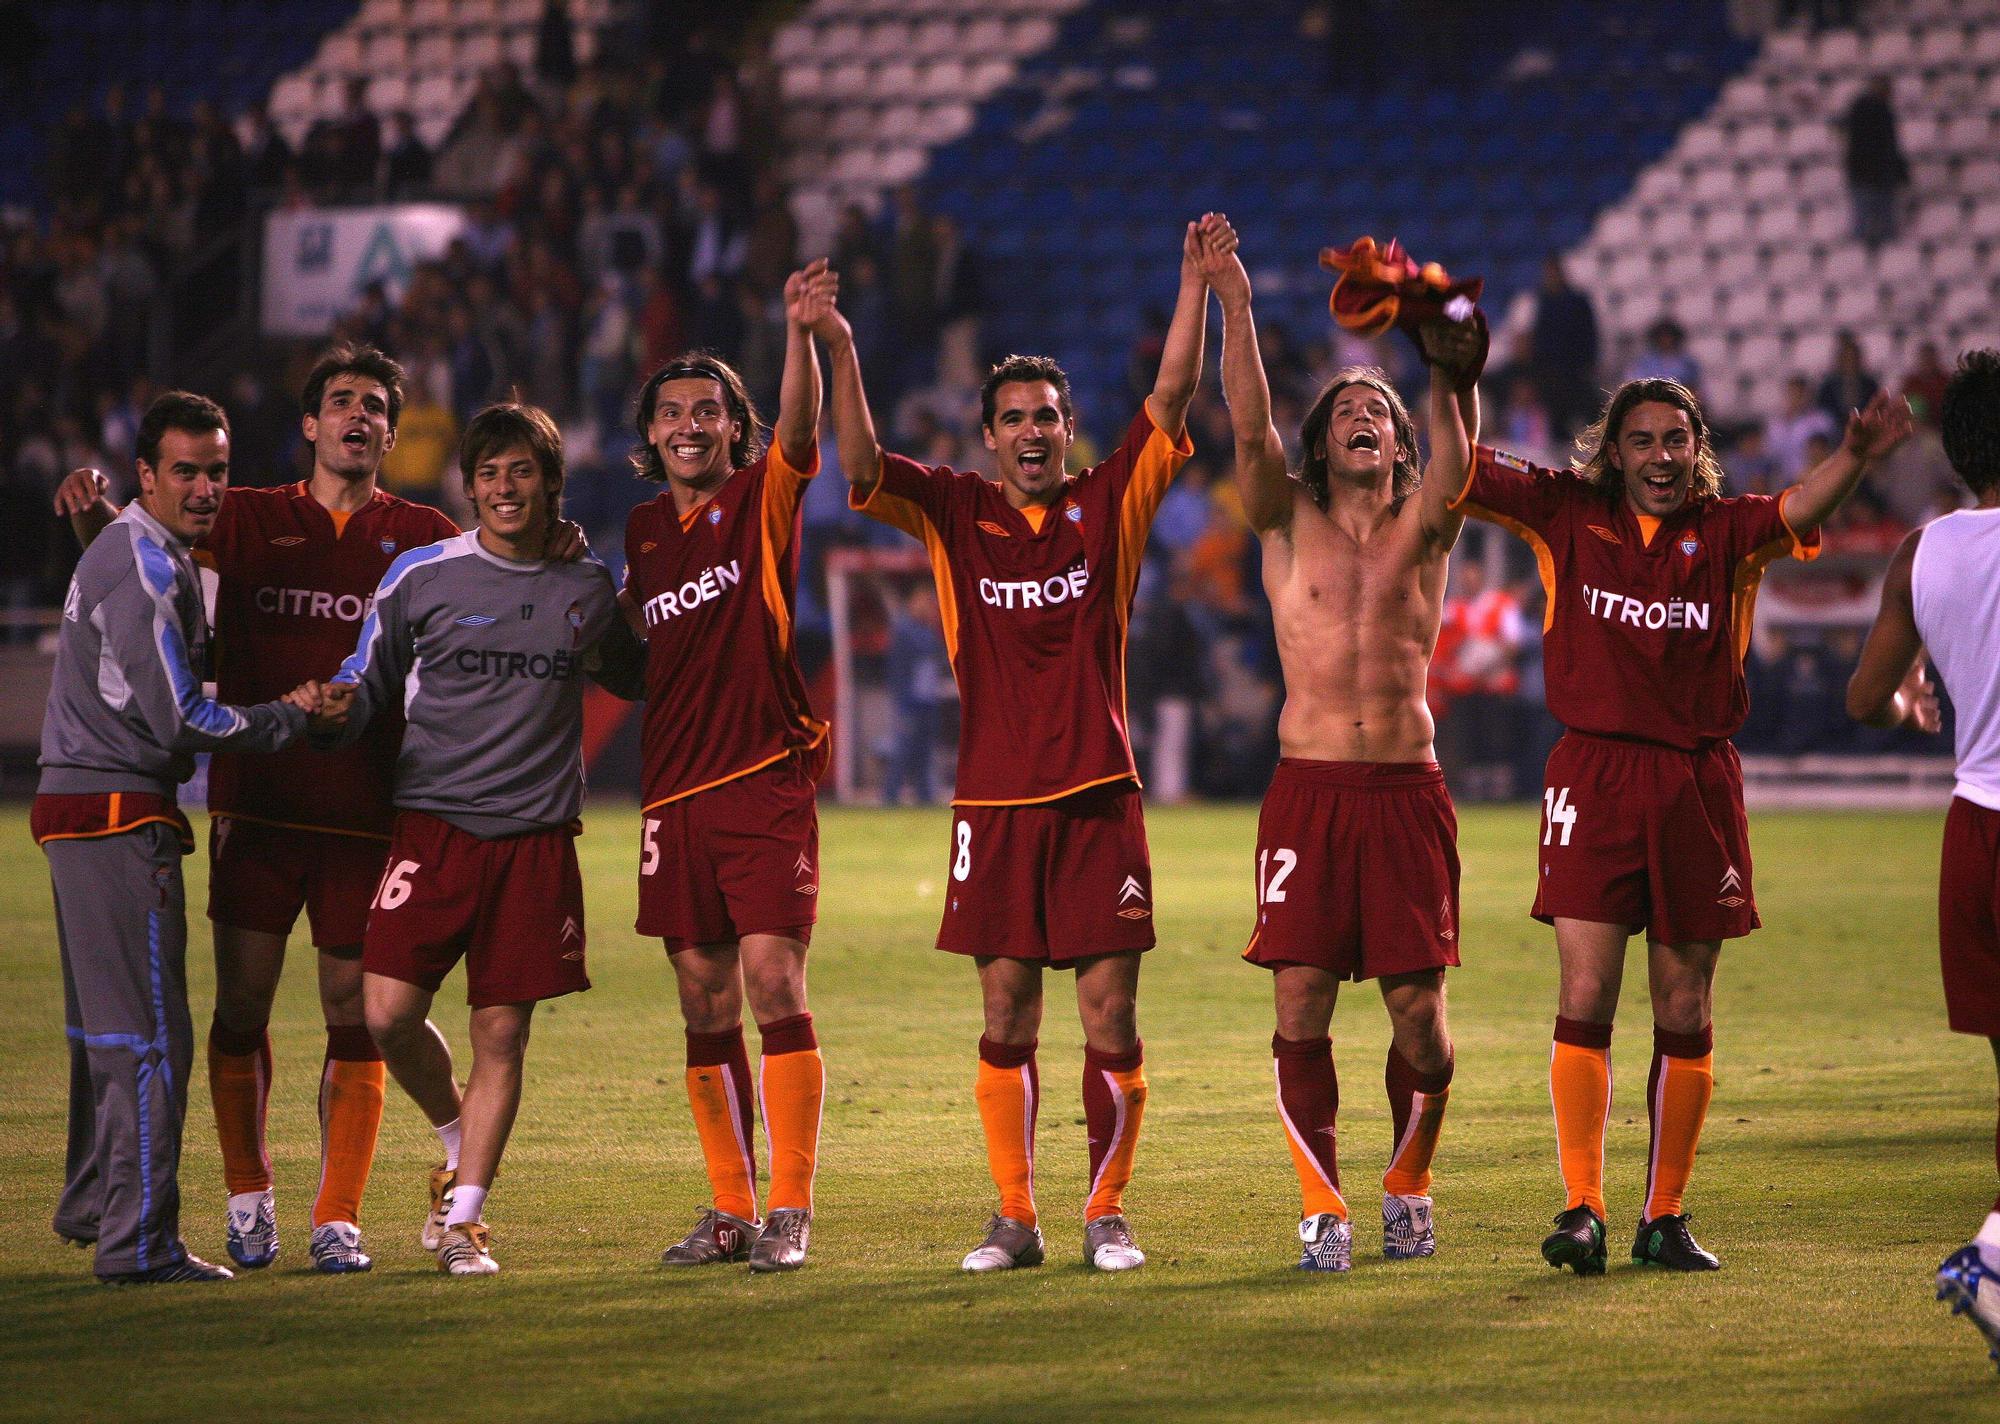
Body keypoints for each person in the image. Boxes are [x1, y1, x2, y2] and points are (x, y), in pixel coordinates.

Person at [809, 217, 1214, 1272]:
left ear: (1069, 427)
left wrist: (1196, 286)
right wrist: (839, 346)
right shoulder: (952, 509)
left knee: (1108, 1011)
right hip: (991, 802)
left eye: (1046, 415)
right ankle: (1016, 1215)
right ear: (984, 434)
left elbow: (1169, 400)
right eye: (1011, 418)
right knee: (1004, 1008)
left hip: (1096, 795)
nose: (1031, 431)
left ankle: (1106, 1210)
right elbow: (854, 459)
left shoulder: (1106, 503)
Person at [1454, 375, 1911, 1273]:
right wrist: (1451, 368)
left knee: (1685, 1002)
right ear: (1613, 451)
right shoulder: (1566, 516)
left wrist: (1854, 455)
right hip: (1592, 772)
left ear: (1694, 450)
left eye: (1675, 441)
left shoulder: (1728, 530)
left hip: (1698, 783)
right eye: (1642, 441)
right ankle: (1582, 1204)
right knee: (1583, 996)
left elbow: (1800, 503)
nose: (1660, 458)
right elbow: (1461, 466)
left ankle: (1664, 1216)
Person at [51, 345, 462, 1275]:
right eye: (340, 401)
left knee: (352, 1012)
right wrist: (88, 516)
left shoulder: (427, 533)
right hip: (259, 807)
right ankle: (248, 1199)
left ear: (391, 433)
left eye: (374, 406)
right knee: (240, 1005)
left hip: (365, 808)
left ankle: (338, 1216)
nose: (357, 415)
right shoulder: (239, 516)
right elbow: (132, 577)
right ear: (310, 426)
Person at [1205, 219, 1481, 1271]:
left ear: (1399, 442)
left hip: (1406, 790)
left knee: (1420, 1020)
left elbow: (1459, 439)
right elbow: (1243, 428)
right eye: (1347, 411)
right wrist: (1234, 301)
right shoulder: (1281, 518)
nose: (1366, 416)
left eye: (1380, 409)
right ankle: (1321, 1204)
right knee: (1298, 1002)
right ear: (1319, 443)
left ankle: (1406, 1183)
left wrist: (1438, 340)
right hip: (1307, 791)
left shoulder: (1428, 520)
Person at [313, 402, 641, 1276]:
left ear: (550, 485)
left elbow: (636, 670)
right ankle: (457, 1135)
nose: (504, 486)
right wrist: (334, 710)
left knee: (503, 1035)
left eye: (521, 471)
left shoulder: (586, 586)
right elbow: (366, 679)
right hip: (433, 827)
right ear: (470, 485)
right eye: (489, 472)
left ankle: (464, 1220)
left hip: (534, 841)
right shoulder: (422, 576)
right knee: (384, 1013)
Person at [33, 392, 318, 1283]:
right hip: (119, 812)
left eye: (217, 471)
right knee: (152, 1036)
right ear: (146, 476)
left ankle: (94, 1203)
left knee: (105, 1032)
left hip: (76, 806)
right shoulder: (150, 567)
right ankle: (139, 1244)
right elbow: (177, 718)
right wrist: (290, 715)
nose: (204, 489)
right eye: (185, 471)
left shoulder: (129, 546)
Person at [623, 264, 836, 1274]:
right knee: (701, 998)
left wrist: (799, 333)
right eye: (672, 412)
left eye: (708, 409)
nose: (689, 424)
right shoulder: (641, 534)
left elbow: (799, 430)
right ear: (650, 433)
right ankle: (728, 1210)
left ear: (730, 425)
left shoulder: (762, 495)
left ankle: (789, 1206)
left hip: (762, 776)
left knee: (769, 975)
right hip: (672, 790)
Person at [1845, 349, 2000, 1365]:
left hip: (1970, 830)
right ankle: (1990, 1259)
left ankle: (1994, 1270)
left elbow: (1863, 697)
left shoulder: (1921, 551)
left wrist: (1910, 687)